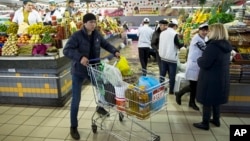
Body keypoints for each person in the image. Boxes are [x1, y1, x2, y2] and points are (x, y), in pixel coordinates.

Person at [63, 13, 120, 140]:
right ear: (84, 23)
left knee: (103, 88)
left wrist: (114, 51)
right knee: (76, 100)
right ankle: (73, 127)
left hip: (93, 69)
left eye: (94, 22)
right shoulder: (76, 36)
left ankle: (100, 107)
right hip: (78, 71)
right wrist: (80, 57)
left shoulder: (97, 34)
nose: (93, 24)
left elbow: (105, 44)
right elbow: (66, 50)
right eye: (90, 22)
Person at [193, 23, 232, 130]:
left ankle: (205, 123)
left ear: (215, 32)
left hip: (210, 78)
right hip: (221, 77)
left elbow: (205, 63)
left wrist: (199, 59)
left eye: (210, 30)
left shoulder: (212, 46)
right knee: (216, 100)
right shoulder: (226, 46)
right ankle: (216, 120)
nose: (208, 32)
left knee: (207, 100)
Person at [175, 23, 209, 111]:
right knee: (194, 86)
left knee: (195, 86)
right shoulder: (196, 39)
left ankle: (190, 101)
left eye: (206, 30)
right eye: (202, 30)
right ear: (199, 30)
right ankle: (180, 94)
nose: (204, 32)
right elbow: (205, 49)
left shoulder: (205, 38)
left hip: (199, 65)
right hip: (193, 66)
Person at [158, 19, 184, 95]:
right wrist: (182, 42)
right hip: (172, 58)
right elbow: (179, 45)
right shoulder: (174, 33)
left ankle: (160, 88)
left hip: (163, 57)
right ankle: (171, 91)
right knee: (172, 75)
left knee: (162, 73)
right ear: (175, 26)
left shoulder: (162, 33)